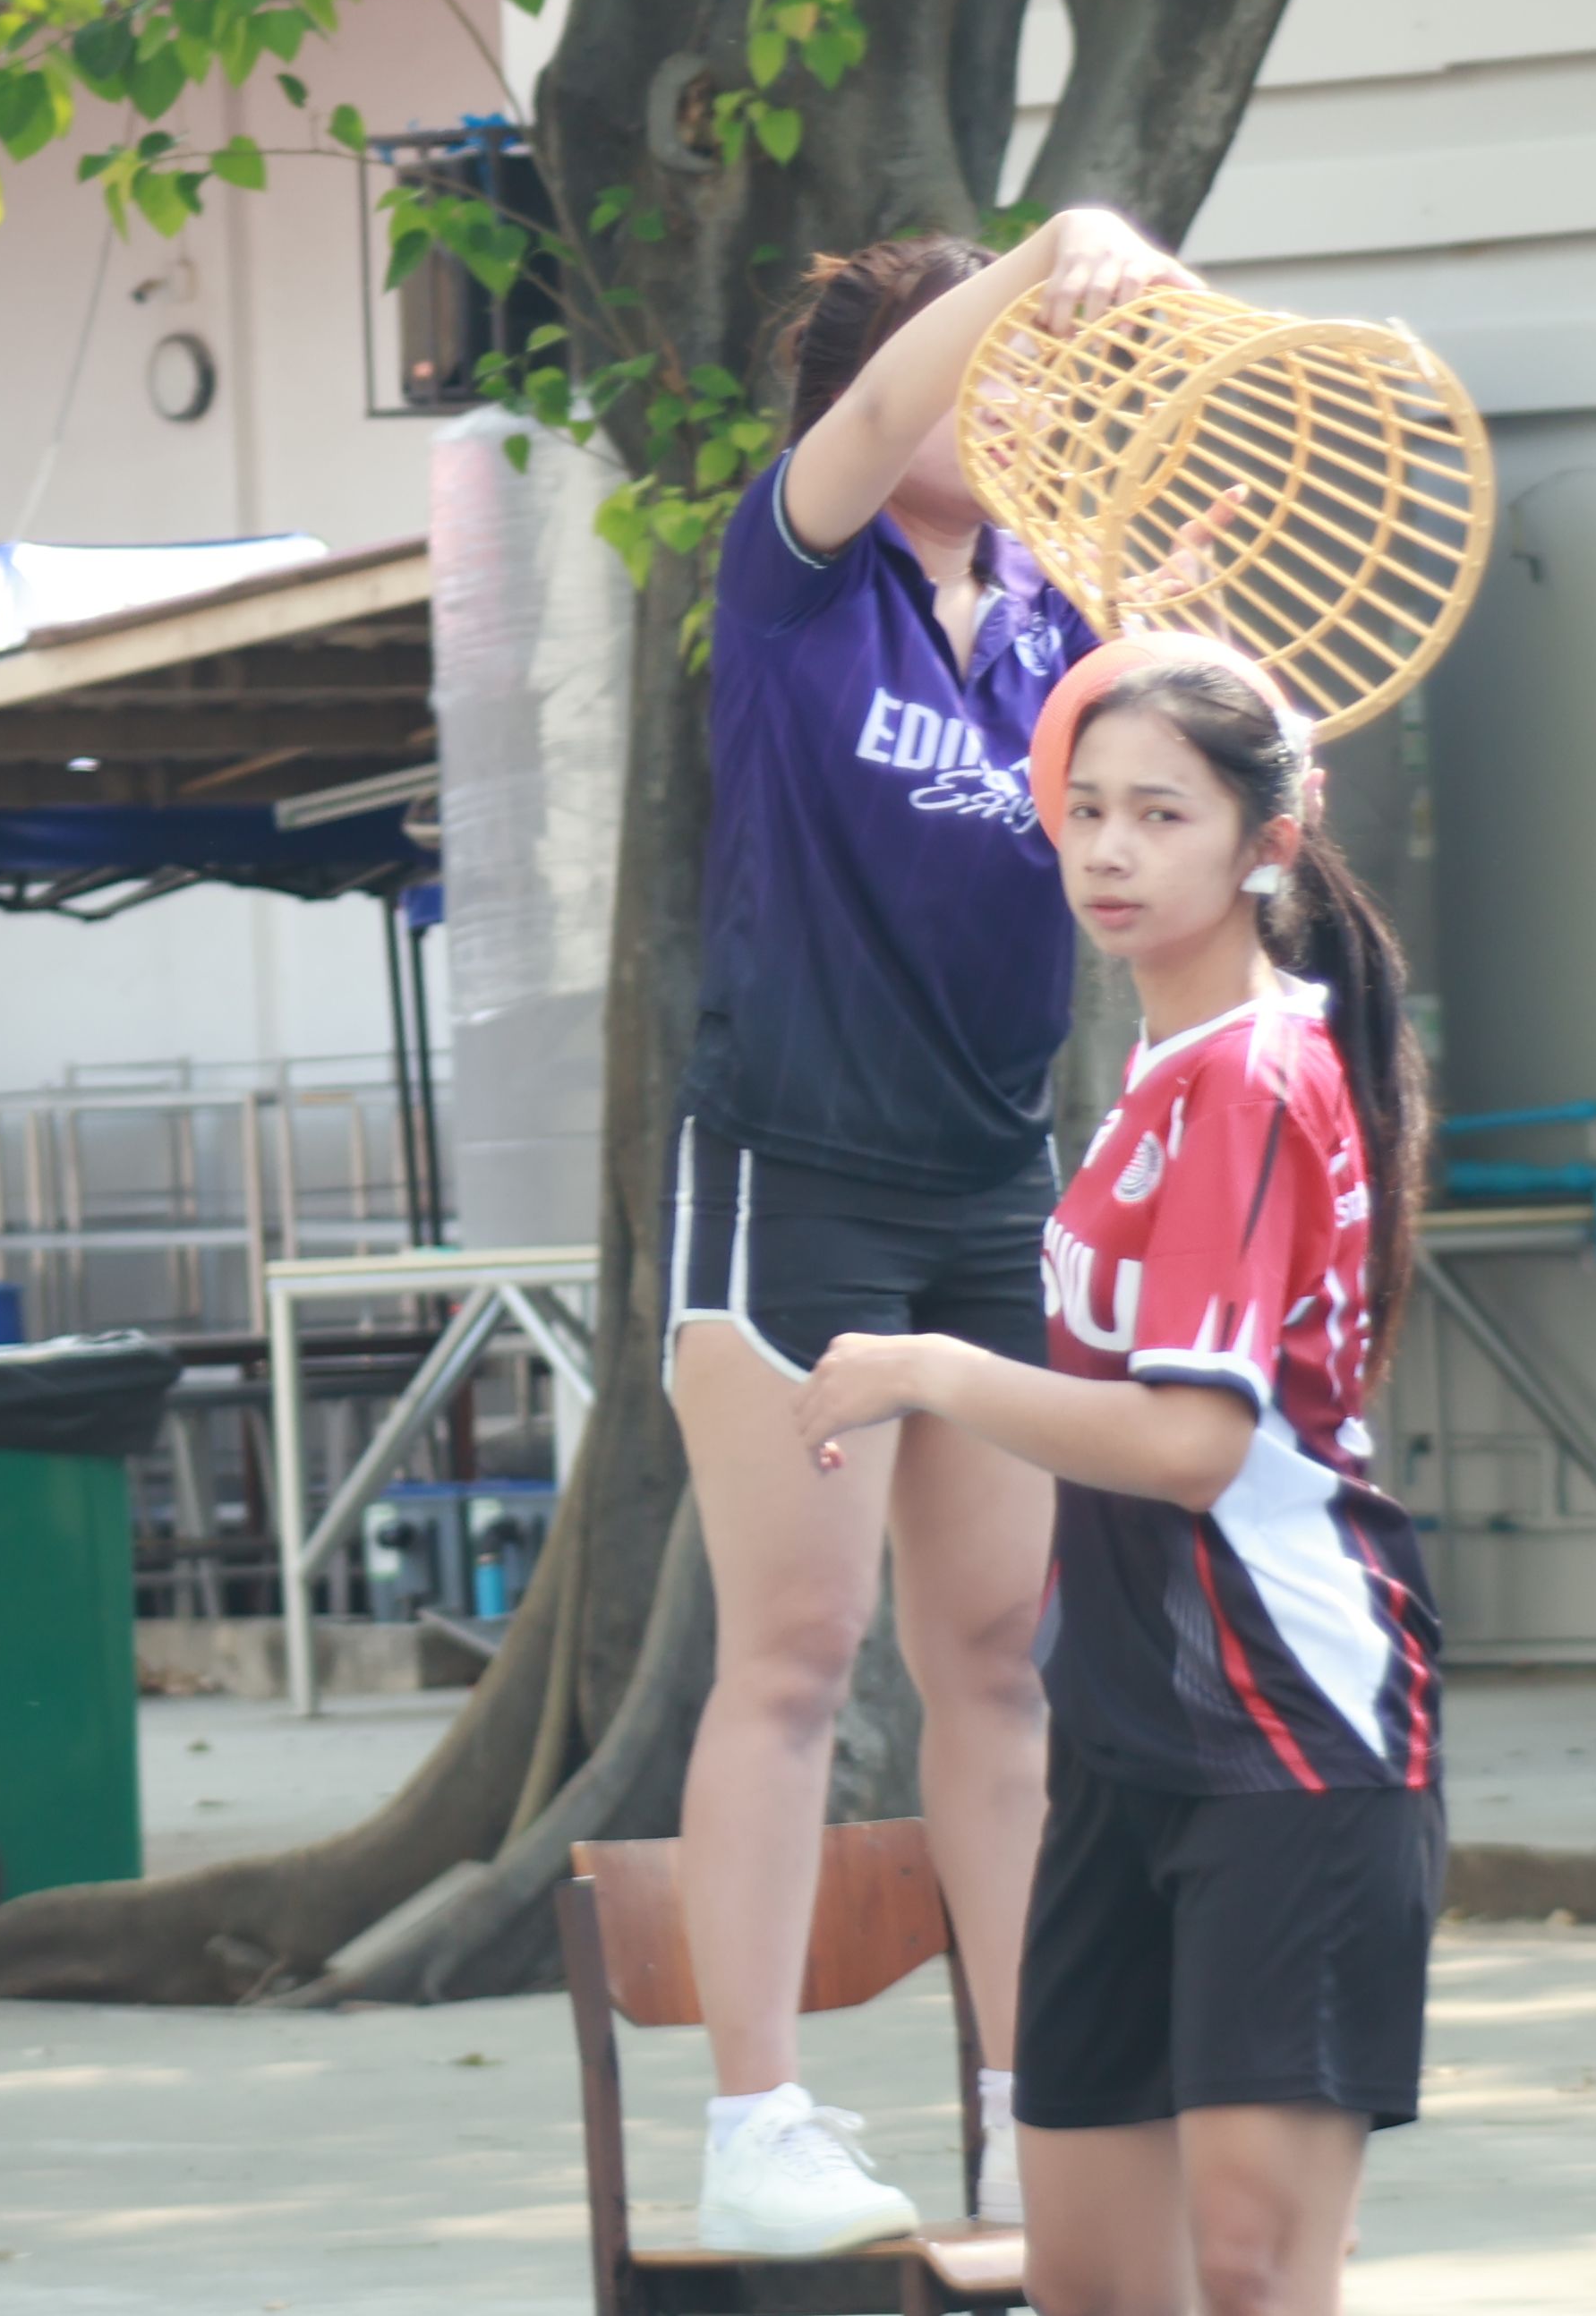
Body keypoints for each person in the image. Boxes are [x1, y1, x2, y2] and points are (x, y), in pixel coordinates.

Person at [789, 636, 1445, 2316]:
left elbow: (1188, 1444)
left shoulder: (1250, 1073)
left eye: (1162, 813)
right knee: (1088, 2280)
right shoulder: (1168, 1067)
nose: (1108, 849)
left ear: (1267, 841)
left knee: (1252, 2272)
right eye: (1085, 810)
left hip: (1292, 1732)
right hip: (1124, 1738)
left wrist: (932, 1369)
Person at [667, 209, 1188, 2253]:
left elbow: (1157, 835)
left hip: (990, 1184)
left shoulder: (1060, 626)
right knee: (797, 1655)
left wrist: (1179, 636)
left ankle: (1019, 2108)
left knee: (996, 1662)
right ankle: (755, 2123)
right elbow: (896, 391)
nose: (1015, 405)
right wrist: (1055, 247)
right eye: (992, 373)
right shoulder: (799, 565)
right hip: (792, 1174)